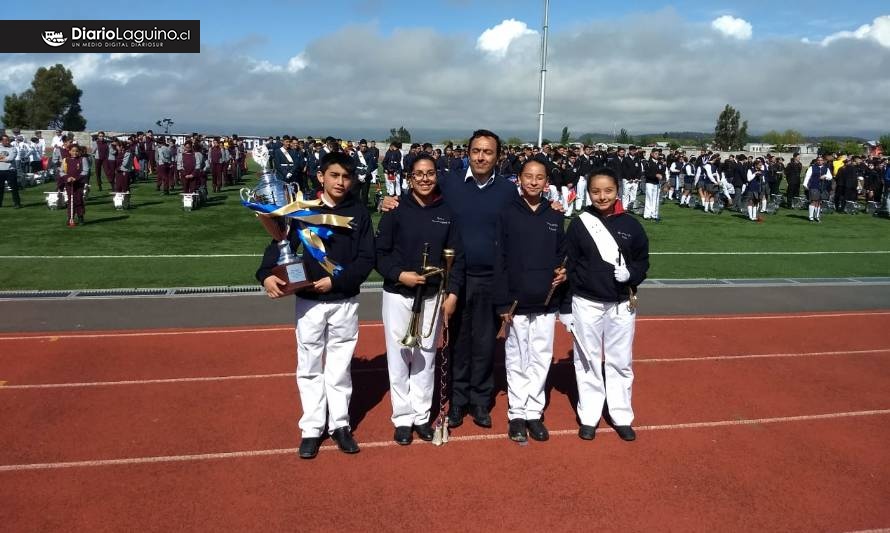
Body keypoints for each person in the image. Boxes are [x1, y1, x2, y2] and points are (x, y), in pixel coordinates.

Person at [258, 152, 375, 459]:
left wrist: (336, 282)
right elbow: (280, 244)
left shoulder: (359, 212)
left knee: (338, 368)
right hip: (309, 302)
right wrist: (265, 275)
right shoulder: (301, 209)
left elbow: (366, 259)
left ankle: (340, 425)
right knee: (309, 366)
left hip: (344, 300)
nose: (341, 182)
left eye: (346, 177)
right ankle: (311, 428)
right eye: (334, 175)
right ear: (321, 176)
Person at [375, 153, 463, 445]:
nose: (424, 178)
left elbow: (456, 257)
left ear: (436, 175)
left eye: (430, 173)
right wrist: (400, 274)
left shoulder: (448, 211)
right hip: (398, 293)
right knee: (399, 357)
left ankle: (422, 416)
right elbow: (380, 253)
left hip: (433, 296)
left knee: (425, 356)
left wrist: (452, 293)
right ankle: (402, 418)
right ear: (410, 177)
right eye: (419, 174)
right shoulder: (395, 209)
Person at [564, 167, 649, 441]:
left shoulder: (632, 225)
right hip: (586, 301)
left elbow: (642, 262)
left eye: (608, 191)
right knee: (587, 360)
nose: (602, 196)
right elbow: (569, 266)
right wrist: (566, 307)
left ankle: (621, 415)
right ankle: (589, 415)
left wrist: (631, 275)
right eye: (596, 191)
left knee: (620, 361)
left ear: (617, 191)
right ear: (588, 193)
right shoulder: (579, 224)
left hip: (622, 303)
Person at [493, 158, 567, 442]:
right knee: (517, 358)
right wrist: (502, 301)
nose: (534, 182)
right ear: (519, 180)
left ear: (546, 182)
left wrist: (564, 272)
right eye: (528, 176)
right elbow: (498, 259)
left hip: (545, 302)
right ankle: (517, 413)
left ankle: (534, 412)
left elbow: (562, 254)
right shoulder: (507, 213)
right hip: (516, 302)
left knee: (541, 357)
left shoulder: (555, 215)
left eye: (539, 177)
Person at [57, 144, 90, 225]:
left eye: (77, 151)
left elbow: (85, 171)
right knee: (70, 200)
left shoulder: (83, 159)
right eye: (73, 151)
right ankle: (70, 217)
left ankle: (80, 217)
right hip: (69, 183)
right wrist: (67, 178)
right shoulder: (65, 160)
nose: (75, 153)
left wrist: (76, 178)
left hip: (79, 183)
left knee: (78, 199)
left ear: (79, 152)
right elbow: (61, 171)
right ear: (69, 151)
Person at [804, 155, 832, 222]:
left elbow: (830, 177)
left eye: (821, 160)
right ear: (816, 161)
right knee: (813, 201)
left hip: (822, 187)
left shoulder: (826, 168)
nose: (820, 161)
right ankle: (811, 217)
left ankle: (817, 216)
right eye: (818, 160)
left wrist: (825, 176)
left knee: (819, 202)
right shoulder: (812, 168)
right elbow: (807, 176)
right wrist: (805, 184)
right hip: (814, 186)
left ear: (823, 161)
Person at [0, 134, 22, 208]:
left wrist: (1, 159)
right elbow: (6, 158)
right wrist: (4, 159)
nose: (7, 142)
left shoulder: (13, 149)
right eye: (5, 140)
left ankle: (17, 203)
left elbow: (10, 158)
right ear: (1, 141)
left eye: (8, 140)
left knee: (14, 188)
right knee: (0, 188)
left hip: (10, 171)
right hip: (0, 171)